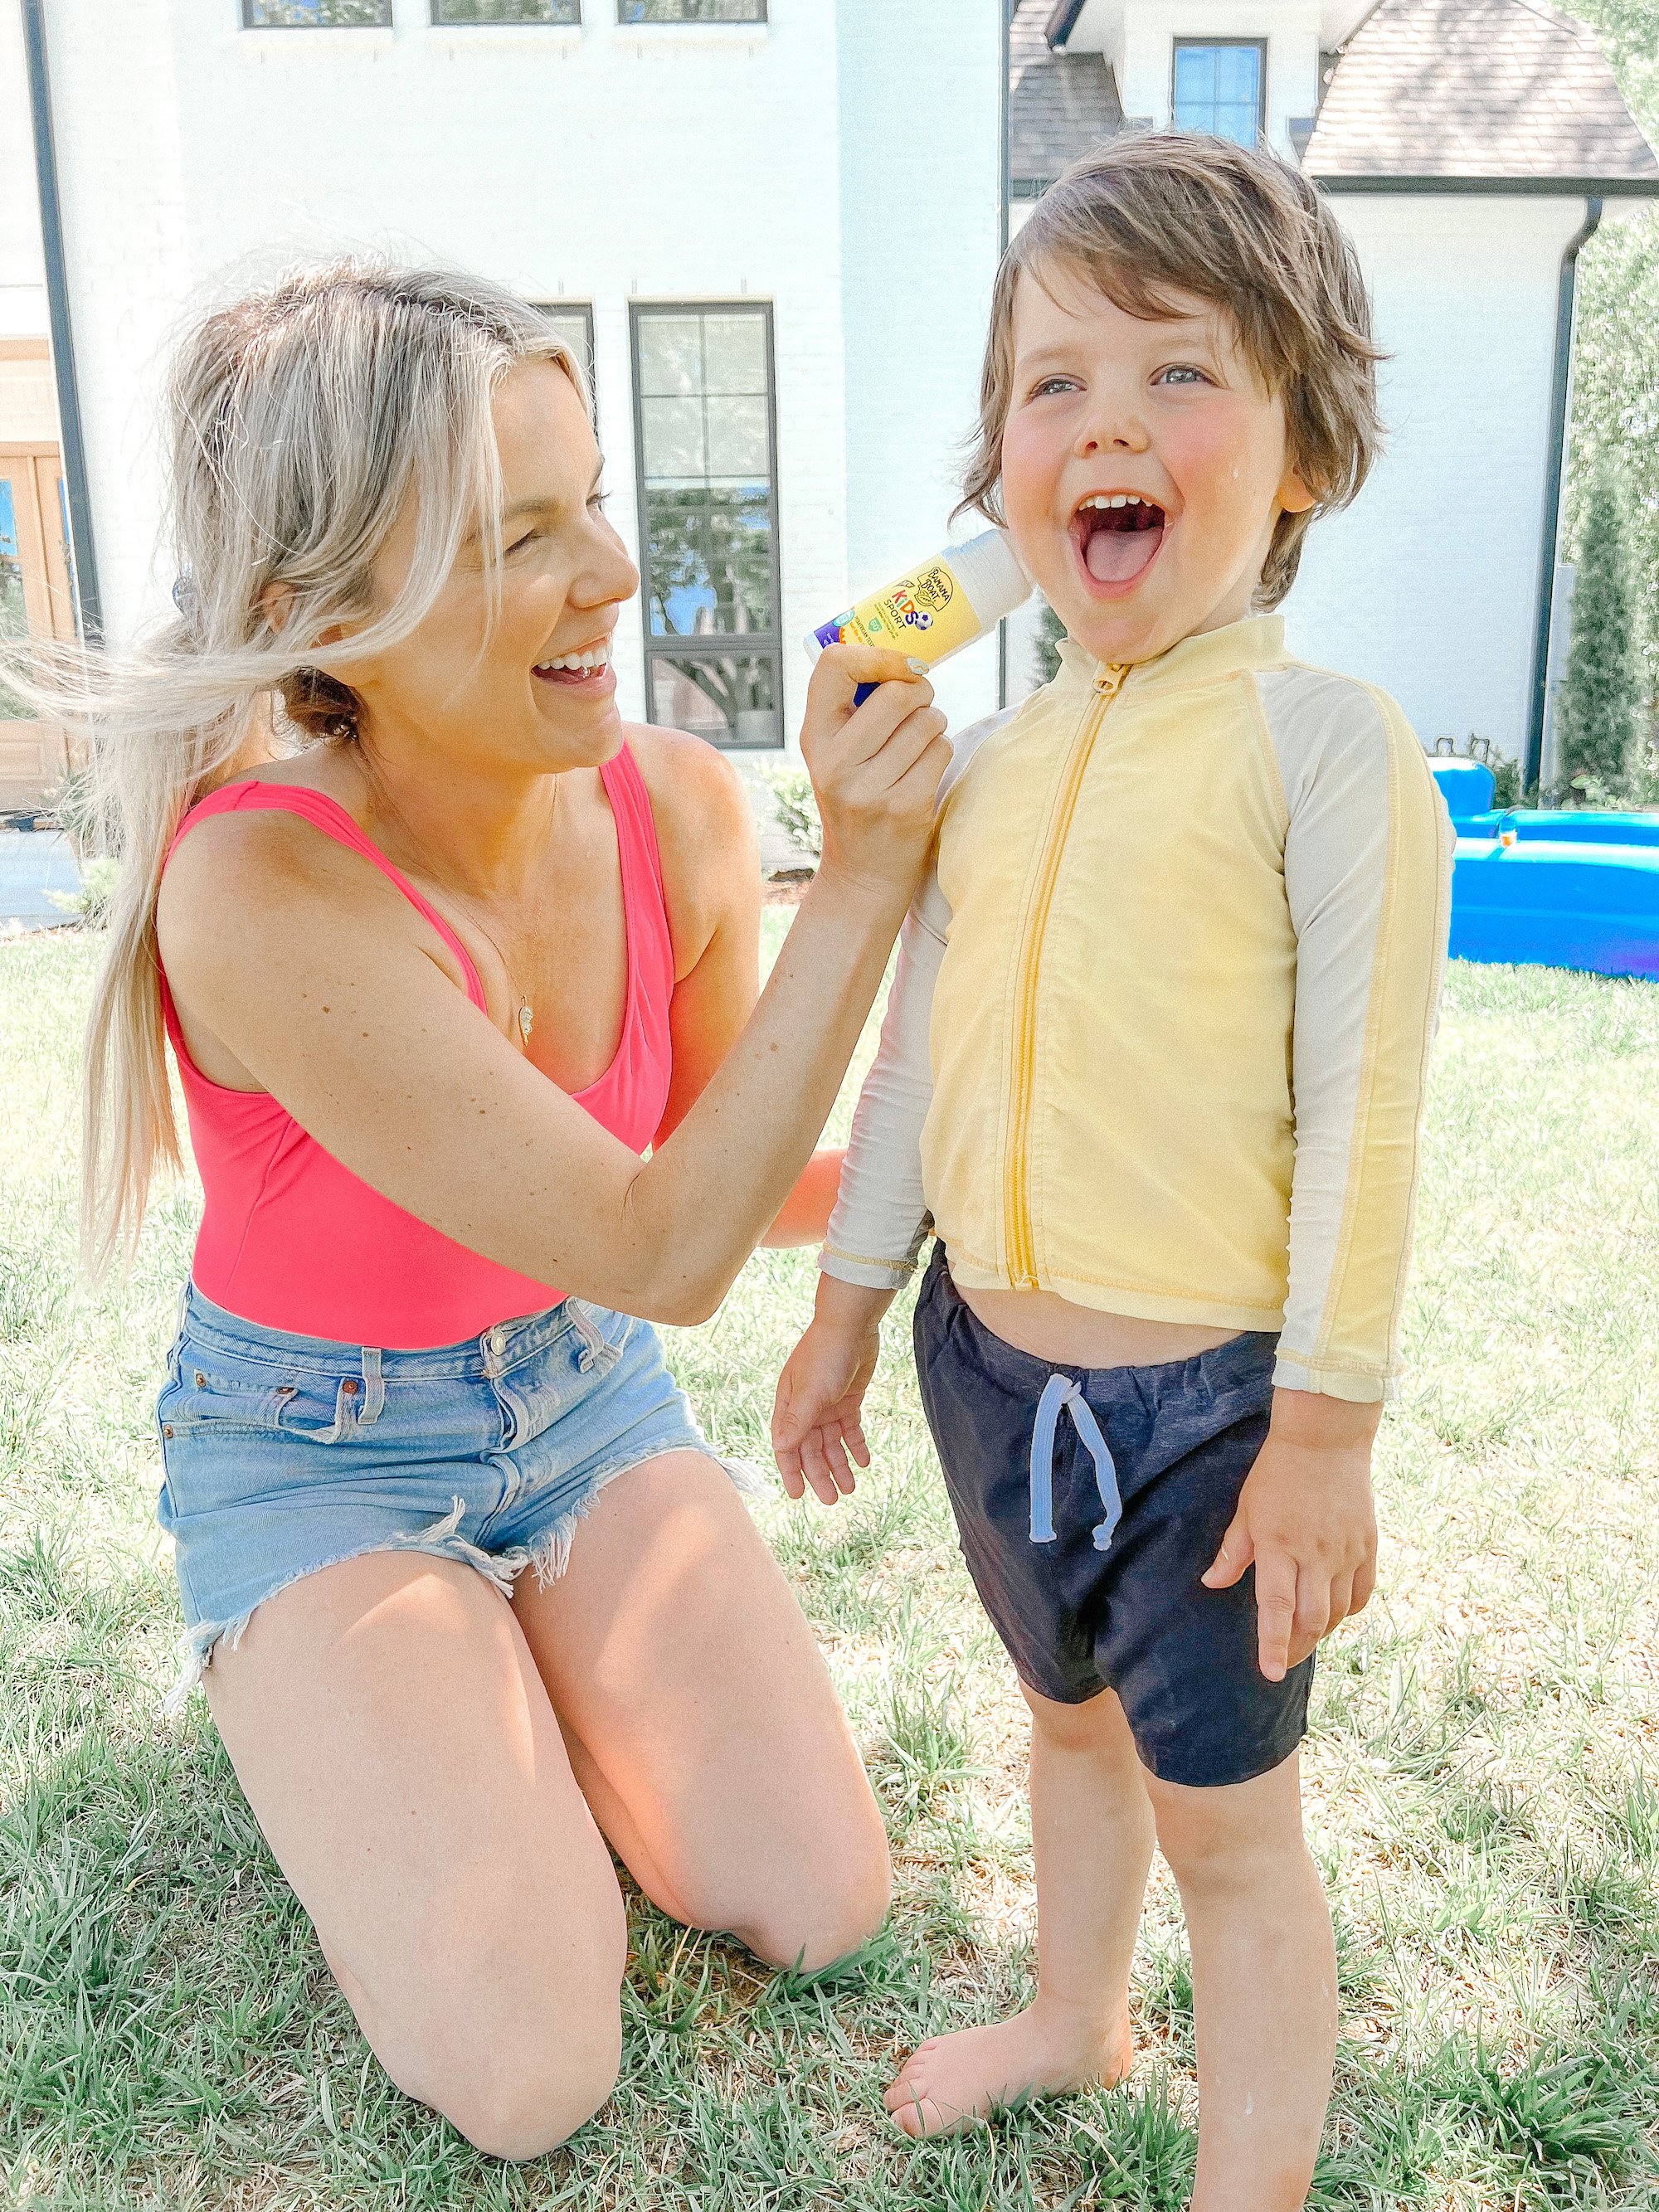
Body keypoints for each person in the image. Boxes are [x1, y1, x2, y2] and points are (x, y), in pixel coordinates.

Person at [61, 261, 949, 2161]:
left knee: (820, 1898)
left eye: (592, 500)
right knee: (534, 2071)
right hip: (320, 1456)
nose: (613, 572)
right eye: (516, 536)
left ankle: (504, 1676)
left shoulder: (677, 808)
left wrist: (971, 1169)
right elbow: (662, 1240)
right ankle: (326, 1685)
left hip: (582, 1392)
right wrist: (866, 876)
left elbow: (717, 1176)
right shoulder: (261, 892)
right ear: (326, 620)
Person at [771, 136, 1453, 2209]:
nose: (1105, 425)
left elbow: (1363, 1114)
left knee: (1233, 1833)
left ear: (1302, 453)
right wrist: (844, 1310)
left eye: (1177, 373)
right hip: (988, 1373)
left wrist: (1323, 1432)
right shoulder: (977, 775)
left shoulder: (1325, 748)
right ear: (998, 482)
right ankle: (1073, 2013)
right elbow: (914, 1068)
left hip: (1210, 1423)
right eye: (1050, 386)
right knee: (1066, 1726)